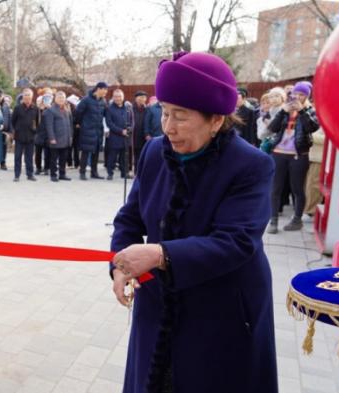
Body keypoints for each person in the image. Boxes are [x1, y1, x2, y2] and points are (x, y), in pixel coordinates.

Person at [110, 52, 277, 393]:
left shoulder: (251, 166)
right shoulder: (155, 152)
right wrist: (119, 263)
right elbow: (130, 217)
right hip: (158, 303)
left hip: (223, 309)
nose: (168, 127)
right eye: (165, 113)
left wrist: (160, 255)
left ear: (216, 120)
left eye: (181, 117)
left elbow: (236, 241)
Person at [266, 81, 320, 233]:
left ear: (307, 96)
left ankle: (297, 220)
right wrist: (283, 111)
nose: (297, 97)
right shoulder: (285, 109)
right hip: (278, 153)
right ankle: (273, 220)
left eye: (301, 94)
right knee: (275, 188)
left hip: (298, 154)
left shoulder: (310, 110)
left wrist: (302, 111)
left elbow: (312, 127)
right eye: (295, 93)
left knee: (297, 189)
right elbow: (272, 128)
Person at [74, 82, 108, 180]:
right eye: (104, 90)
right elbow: (78, 112)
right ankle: (82, 173)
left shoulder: (103, 101)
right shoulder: (86, 100)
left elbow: (105, 114)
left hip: (98, 130)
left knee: (96, 152)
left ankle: (94, 172)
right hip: (87, 130)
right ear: (98, 89)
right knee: (86, 152)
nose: (105, 92)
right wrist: (79, 124)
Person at [44, 91, 73, 182]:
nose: (61, 99)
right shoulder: (50, 110)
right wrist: (52, 138)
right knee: (53, 159)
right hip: (55, 139)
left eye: (63, 98)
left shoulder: (67, 110)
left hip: (66, 138)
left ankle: (62, 174)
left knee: (63, 158)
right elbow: (49, 126)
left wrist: (70, 136)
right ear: (55, 99)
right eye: (59, 98)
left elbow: (70, 124)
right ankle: (53, 175)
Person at [10, 88, 38, 182]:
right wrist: (16, 130)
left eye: (29, 95)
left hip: (30, 137)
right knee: (17, 157)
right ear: (23, 96)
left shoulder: (35, 108)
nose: (27, 97)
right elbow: (13, 121)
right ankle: (17, 175)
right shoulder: (17, 108)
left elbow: (38, 122)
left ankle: (30, 174)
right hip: (19, 137)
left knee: (29, 157)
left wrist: (35, 131)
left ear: (32, 97)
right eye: (25, 95)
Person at [105, 89, 131, 180]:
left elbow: (132, 120)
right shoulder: (109, 108)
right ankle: (110, 173)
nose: (118, 98)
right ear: (113, 97)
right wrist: (121, 131)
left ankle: (124, 173)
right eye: (116, 96)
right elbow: (109, 123)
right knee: (112, 156)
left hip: (126, 137)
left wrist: (129, 129)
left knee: (124, 157)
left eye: (119, 96)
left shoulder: (127, 108)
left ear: (123, 97)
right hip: (115, 137)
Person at [130, 91, 148, 174]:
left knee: (142, 154)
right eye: (140, 97)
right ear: (136, 98)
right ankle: (134, 171)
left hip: (143, 135)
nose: (142, 99)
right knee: (135, 154)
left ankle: (140, 171)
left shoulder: (147, 109)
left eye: (144, 97)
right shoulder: (131, 109)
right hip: (133, 135)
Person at [34, 94, 51, 175]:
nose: (43, 102)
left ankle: (47, 168)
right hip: (38, 134)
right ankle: (38, 168)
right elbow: (34, 121)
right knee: (38, 153)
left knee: (47, 153)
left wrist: (48, 108)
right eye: (41, 101)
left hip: (47, 134)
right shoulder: (37, 110)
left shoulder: (50, 110)